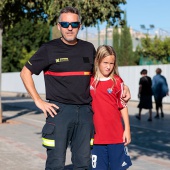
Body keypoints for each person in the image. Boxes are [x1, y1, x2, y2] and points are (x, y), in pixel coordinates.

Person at [20, 6, 131, 170]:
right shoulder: (48, 49)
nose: (69, 28)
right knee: (56, 163)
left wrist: (124, 86)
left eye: (73, 24)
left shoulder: (88, 48)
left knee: (83, 164)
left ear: (80, 26)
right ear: (59, 26)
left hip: (86, 114)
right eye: (65, 24)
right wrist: (38, 101)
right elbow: (25, 73)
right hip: (60, 113)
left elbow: (103, 73)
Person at [90, 45, 132, 170]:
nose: (108, 66)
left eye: (111, 63)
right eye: (105, 62)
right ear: (97, 61)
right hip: (96, 138)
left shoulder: (117, 81)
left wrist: (127, 130)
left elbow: (123, 106)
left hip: (116, 137)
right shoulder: (89, 81)